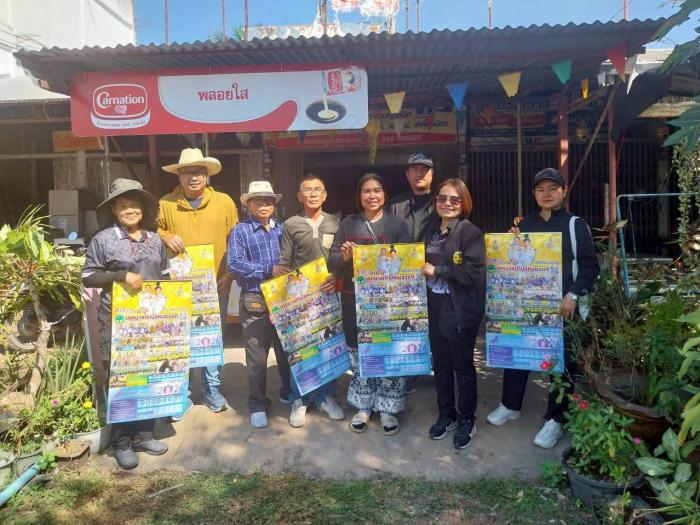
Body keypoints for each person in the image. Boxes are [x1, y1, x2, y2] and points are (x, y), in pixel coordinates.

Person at [486, 168, 600, 449]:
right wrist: (504, 246)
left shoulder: (575, 225)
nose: (546, 194)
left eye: (552, 188)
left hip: (564, 308)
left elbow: (590, 267)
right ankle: (510, 405)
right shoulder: (525, 225)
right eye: (541, 190)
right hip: (527, 304)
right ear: (534, 194)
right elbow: (513, 261)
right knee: (518, 351)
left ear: (564, 191)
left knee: (561, 363)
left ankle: (556, 420)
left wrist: (573, 294)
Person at [82, 179, 170, 470]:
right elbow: (88, 277)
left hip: (154, 322)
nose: (129, 210)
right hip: (118, 323)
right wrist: (120, 276)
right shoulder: (103, 239)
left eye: (134, 205)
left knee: (150, 377)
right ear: (113, 210)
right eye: (123, 206)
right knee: (122, 379)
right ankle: (121, 442)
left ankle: (144, 435)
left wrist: (175, 309)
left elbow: (166, 277)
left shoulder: (155, 240)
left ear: (142, 209)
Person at [328, 173, 411, 435]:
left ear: (385, 195)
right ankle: (363, 406)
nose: (372, 196)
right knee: (360, 350)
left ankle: (388, 408)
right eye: (366, 191)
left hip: (389, 301)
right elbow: (332, 261)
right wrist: (344, 257)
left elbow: (408, 261)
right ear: (359, 196)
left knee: (387, 349)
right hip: (354, 298)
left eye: (377, 190)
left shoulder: (397, 224)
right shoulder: (348, 223)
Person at [158, 148, 239, 415]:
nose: (194, 177)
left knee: (212, 338)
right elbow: (154, 231)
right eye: (188, 172)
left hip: (216, 284)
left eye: (199, 172)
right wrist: (165, 237)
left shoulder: (224, 202)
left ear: (207, 175)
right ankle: (180, 394)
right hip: (179, 286)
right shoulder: (166, 203)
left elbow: (235, 241)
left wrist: (229, 274)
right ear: (179, 176)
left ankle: (211, 389)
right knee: (180, 338)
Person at [272, 174, 345, 428]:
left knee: (329, 345)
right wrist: (281, 295)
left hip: (328, 292)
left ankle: (326, 396)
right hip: (300, 297)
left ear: (325, 195)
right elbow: (285, 262)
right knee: (301, 349)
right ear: (299, 196)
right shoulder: (290, 224)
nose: (312, 194)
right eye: (307, 190)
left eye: (317, 190)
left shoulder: (336, 222)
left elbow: (340, 259)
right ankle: (299, 399)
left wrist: (336, 276)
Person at [420, 178, 486, 449]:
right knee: (441, 363)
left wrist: (438, 271)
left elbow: (473, 273)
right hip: (433, 304)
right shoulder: (430, 229)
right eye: (442, 198)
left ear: (463, 203)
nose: (447, 203)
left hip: (458, 308)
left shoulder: (470, 232)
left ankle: (466, 419)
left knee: (462, 365)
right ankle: (446, 414)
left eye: (454, 199)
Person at [228, 181, 292, 428]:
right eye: (258, 200)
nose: (264, 204)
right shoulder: (240, 231)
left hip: (283, 298)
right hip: (255, 299)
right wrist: (268, 269)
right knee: (256, 357)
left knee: (286, 351)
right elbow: (234, 264)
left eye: (268, 200)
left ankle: (288, 392)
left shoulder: (282, 229)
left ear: (274, 204)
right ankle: (257, 404)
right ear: (249, 204)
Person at [390, 152, 436, 394]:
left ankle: (438, 369)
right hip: (403, 280)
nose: (419, 173)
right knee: (406, 325)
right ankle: (408, 374)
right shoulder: (395, 204)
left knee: (436, 326)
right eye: (414, 169)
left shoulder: (442, 202)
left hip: (435, 277)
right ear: (407, 174)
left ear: (432, 174)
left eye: (424, 169)